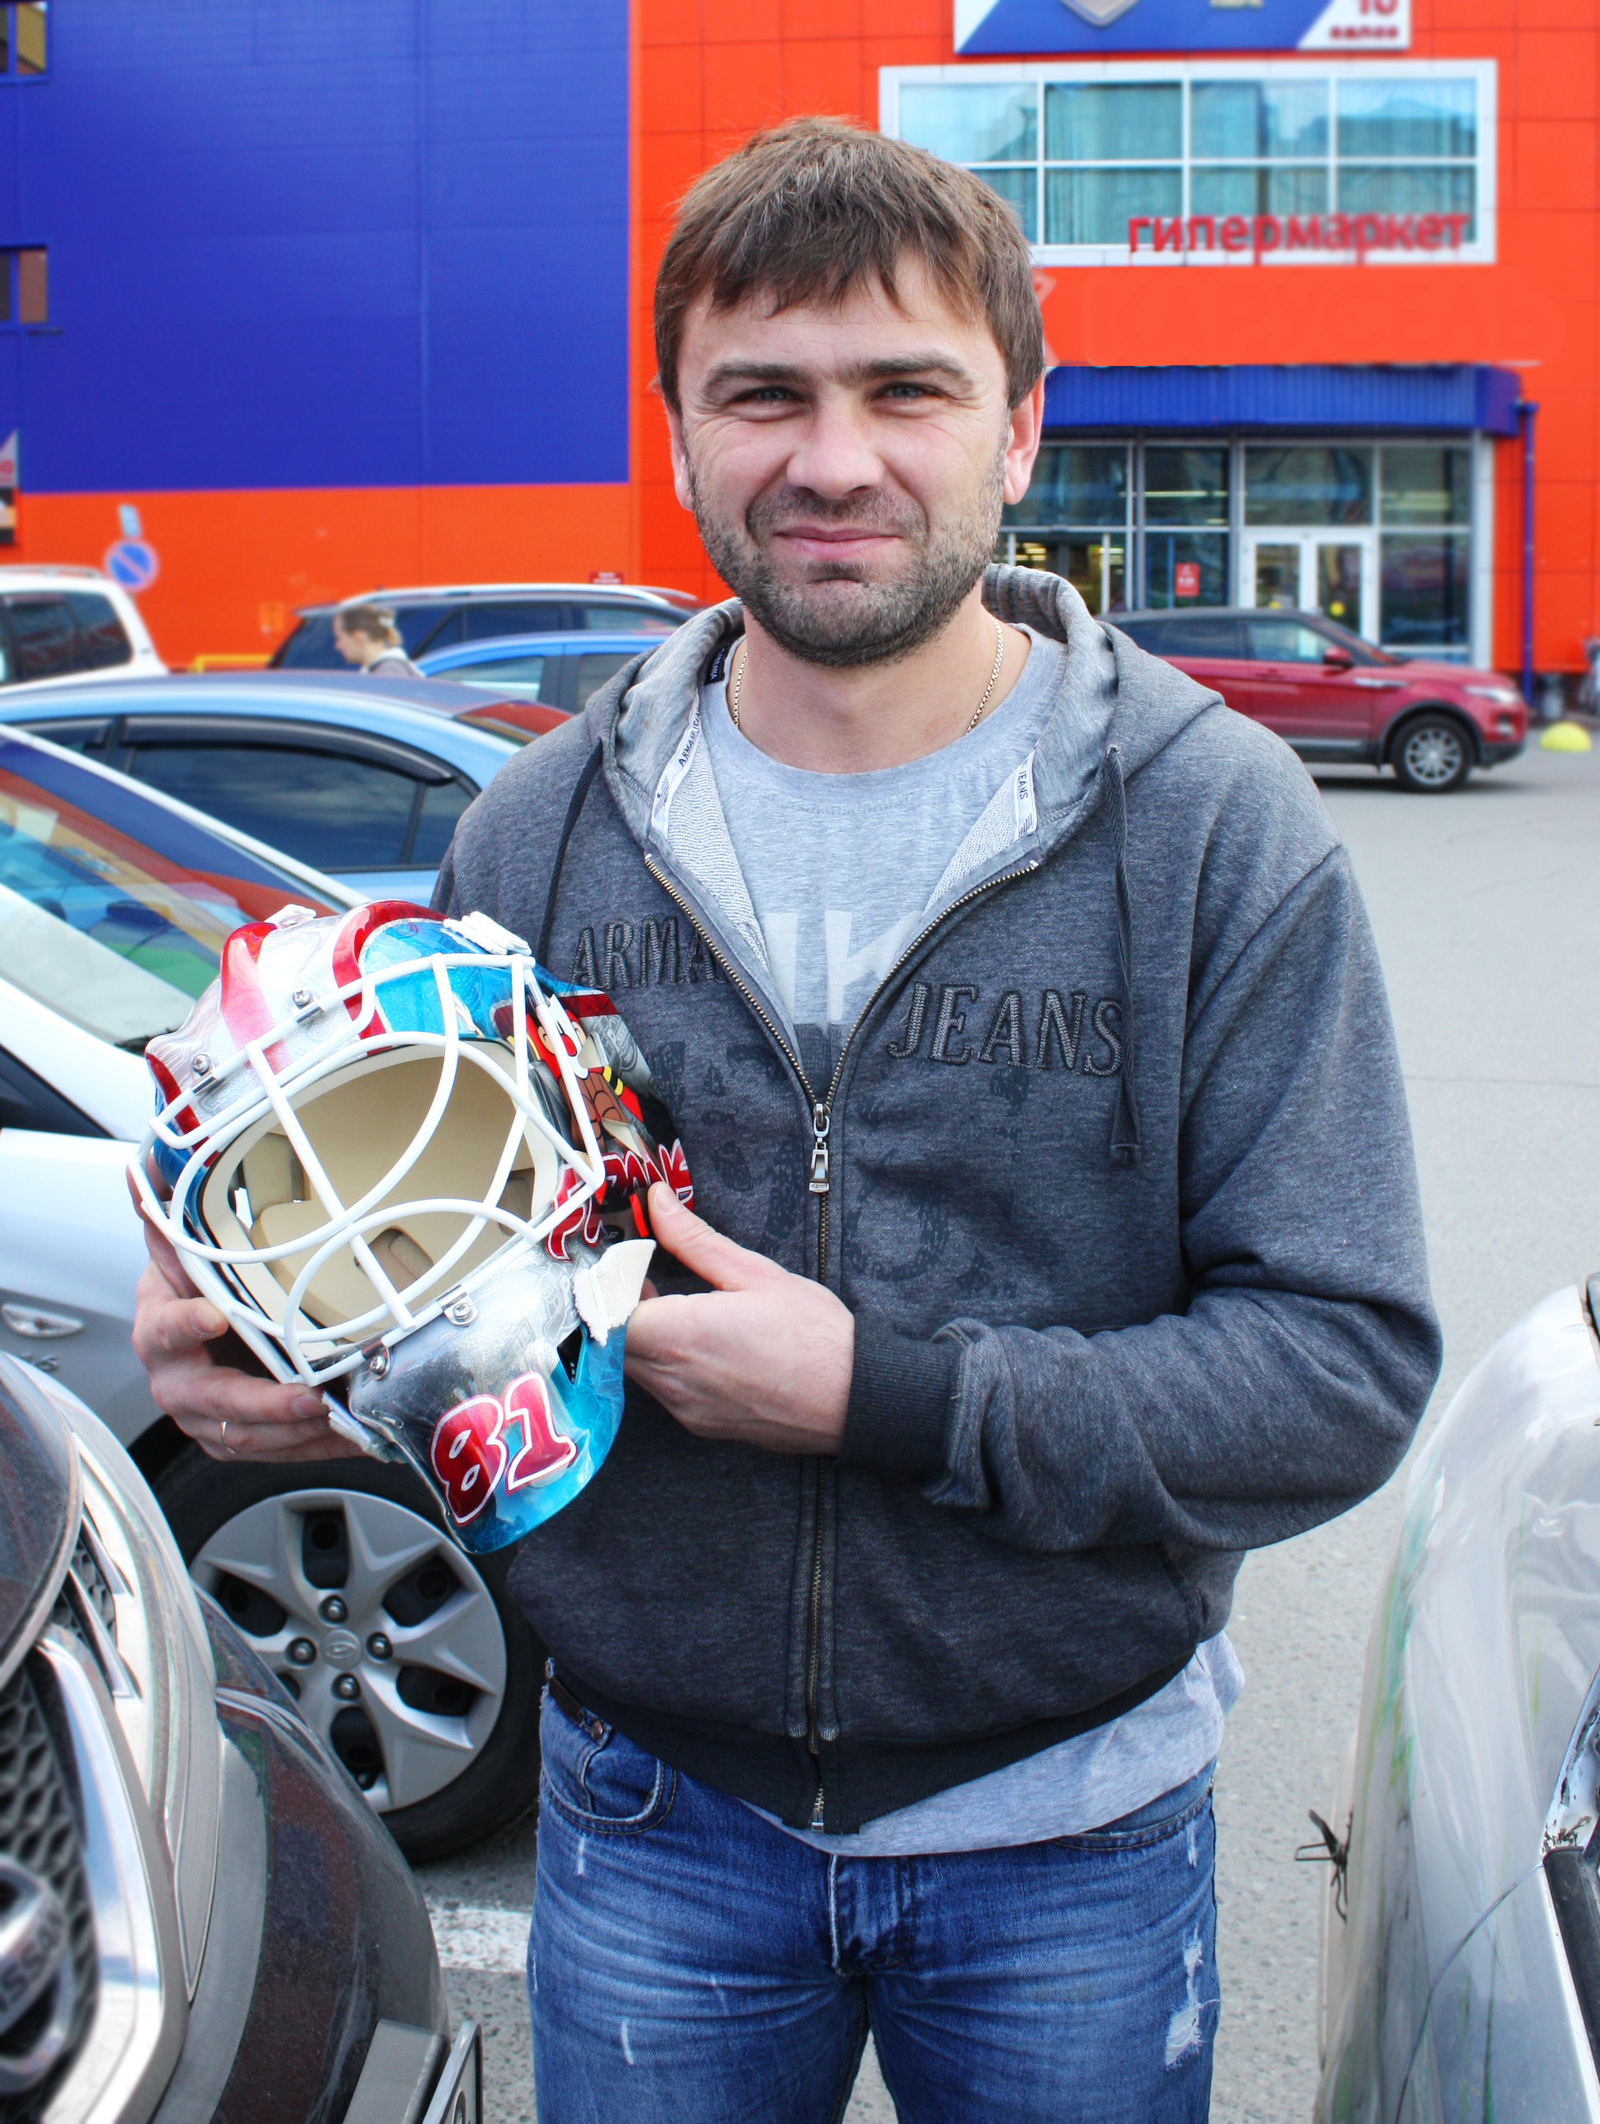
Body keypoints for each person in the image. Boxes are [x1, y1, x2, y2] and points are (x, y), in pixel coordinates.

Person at [131, 118, 1440, 2122]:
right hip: (653, 1813)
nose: (830, 458)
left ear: (1016, 429)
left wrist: (881, 1395)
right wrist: (314, 1364)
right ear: (679, 433)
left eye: (902, 387)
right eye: (764, 394)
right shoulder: (534, 833)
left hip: (1069, 1824)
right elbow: (499, 1300)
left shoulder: (1205, 828)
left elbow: (1336, 1370)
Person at [332, 601, 422, 676]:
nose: (337, 646)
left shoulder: (388, 673)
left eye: (339, 638)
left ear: (357, 636)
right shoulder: (388, 669)